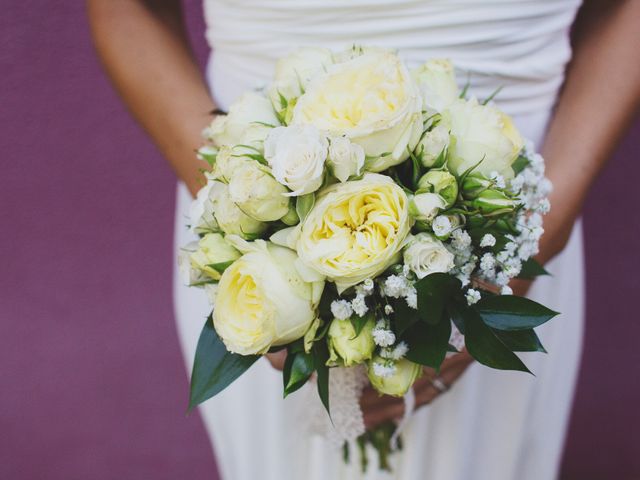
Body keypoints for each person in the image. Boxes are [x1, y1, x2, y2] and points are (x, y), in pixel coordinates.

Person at [87, 1, 640, 478]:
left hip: (515, 208)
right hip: (256, 216)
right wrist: (245, 209)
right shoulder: (250, 212)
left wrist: (531, 240)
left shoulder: (522, 234)